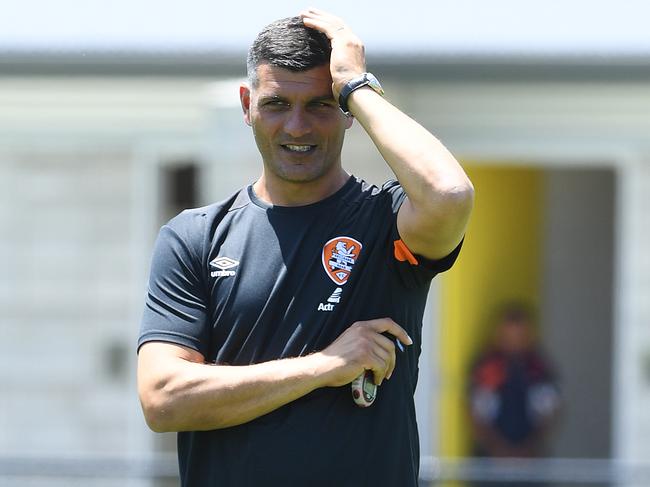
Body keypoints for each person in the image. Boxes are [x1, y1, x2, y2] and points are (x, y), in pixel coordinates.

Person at [137, 8, 474, 487]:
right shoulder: (195, 237)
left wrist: (355, 85)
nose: (297, 127)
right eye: (276, 104)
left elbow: (450, 194)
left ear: (348, 114)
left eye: (319, 105)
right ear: (246, 104)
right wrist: (323, 367)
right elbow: (163, 398)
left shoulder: (388, 225)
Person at [469, 304, 561, 486]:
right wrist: (500, 451)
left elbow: (551, 413)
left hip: (532, 464)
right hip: (490, 464)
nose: (513, 342)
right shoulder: (487, 367)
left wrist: (526, 451)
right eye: (508, 336)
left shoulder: (539, 369)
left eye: (519, 336)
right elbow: (475, 414)